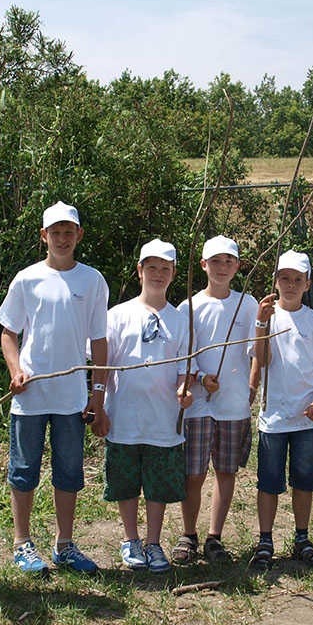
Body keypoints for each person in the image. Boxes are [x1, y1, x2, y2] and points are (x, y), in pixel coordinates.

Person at [0, 201, 109, 575]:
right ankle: (22, 543)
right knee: (24, 468)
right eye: (55, 232)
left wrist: (98, 393)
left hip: (71, 395)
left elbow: (99, 341)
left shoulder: (92, 280)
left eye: (68, 232)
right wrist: (16, 371)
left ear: (78, 235)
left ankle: (64, 544)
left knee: (69, 470)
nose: (62, 238)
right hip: (30, 396)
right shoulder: (26, 279)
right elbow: (8, 333)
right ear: (44, 236)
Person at [101, 239, 193, 573]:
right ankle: (131, 539)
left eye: (165, 269)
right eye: (151, 267)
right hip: (123, 416)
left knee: (157, 482)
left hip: (163, 419)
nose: (158, 274)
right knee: (126, 480)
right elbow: (103, 365)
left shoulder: (182, 321)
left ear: (172, 274)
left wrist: (185, 388)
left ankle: (154, 541)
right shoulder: (117, 315)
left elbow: (186, 368)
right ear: (140, 270)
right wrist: (99, 407)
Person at [172, 235, 259, 564]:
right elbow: (185, 353)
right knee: (194, 472)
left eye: (229, 261)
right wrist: (198, 377)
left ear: (237, 266)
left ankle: (214, 537)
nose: (222, 267)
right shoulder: (189, 307)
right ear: (203, 265)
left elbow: (256, 350)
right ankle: (188, 533)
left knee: (226, 470)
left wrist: (252, 384)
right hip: (197, 404)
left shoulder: (246, 304)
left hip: (234, 402)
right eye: (216, 261)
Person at [248, 250, 313, 570]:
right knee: (269, 482)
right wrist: (261, 323)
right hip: (273, 418)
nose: (290, 284)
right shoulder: (267, 318)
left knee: (304, 480)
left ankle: (301, 537)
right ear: (275, 281)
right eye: (284, 278)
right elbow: (262, 357)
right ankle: (265, 539)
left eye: (297, 279)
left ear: (307, 284)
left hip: (306, 418)